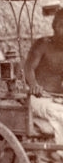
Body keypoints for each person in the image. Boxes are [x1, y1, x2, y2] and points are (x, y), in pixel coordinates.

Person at [24, 8, 63, 143]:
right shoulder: (43, 44)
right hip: (38, 99)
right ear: (54, 26)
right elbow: (28, 68)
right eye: (61, 26)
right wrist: (34, 85)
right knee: (60, 114)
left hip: (57, 100)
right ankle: (59, 154)